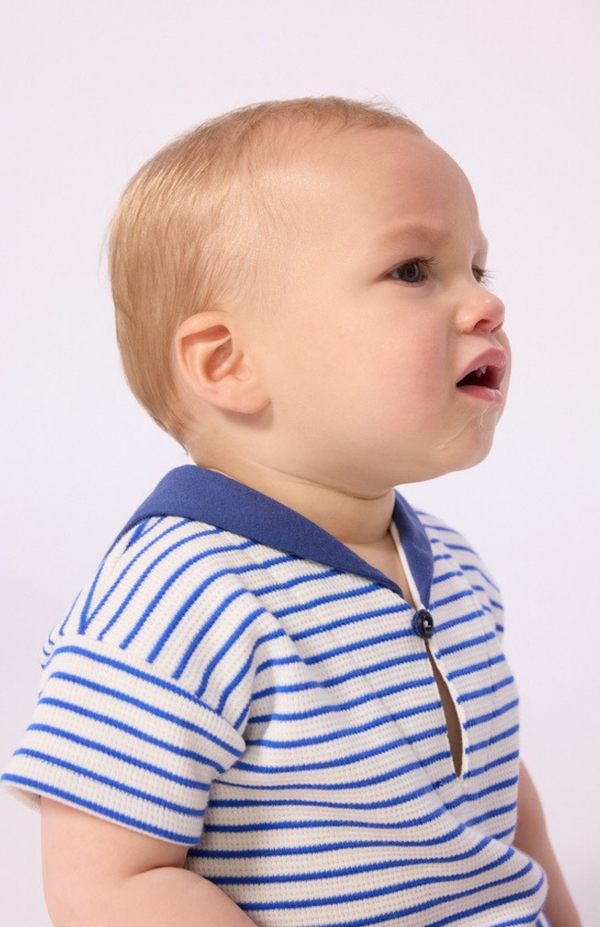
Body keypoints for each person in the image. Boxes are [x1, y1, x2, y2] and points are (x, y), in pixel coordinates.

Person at [2, 97, 580, 927]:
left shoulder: (452, 567)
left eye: (478, 269)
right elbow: (107, 884)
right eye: (414, 270)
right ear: (231, 362)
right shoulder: (181, 596)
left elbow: (495, 795)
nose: (486, 305)